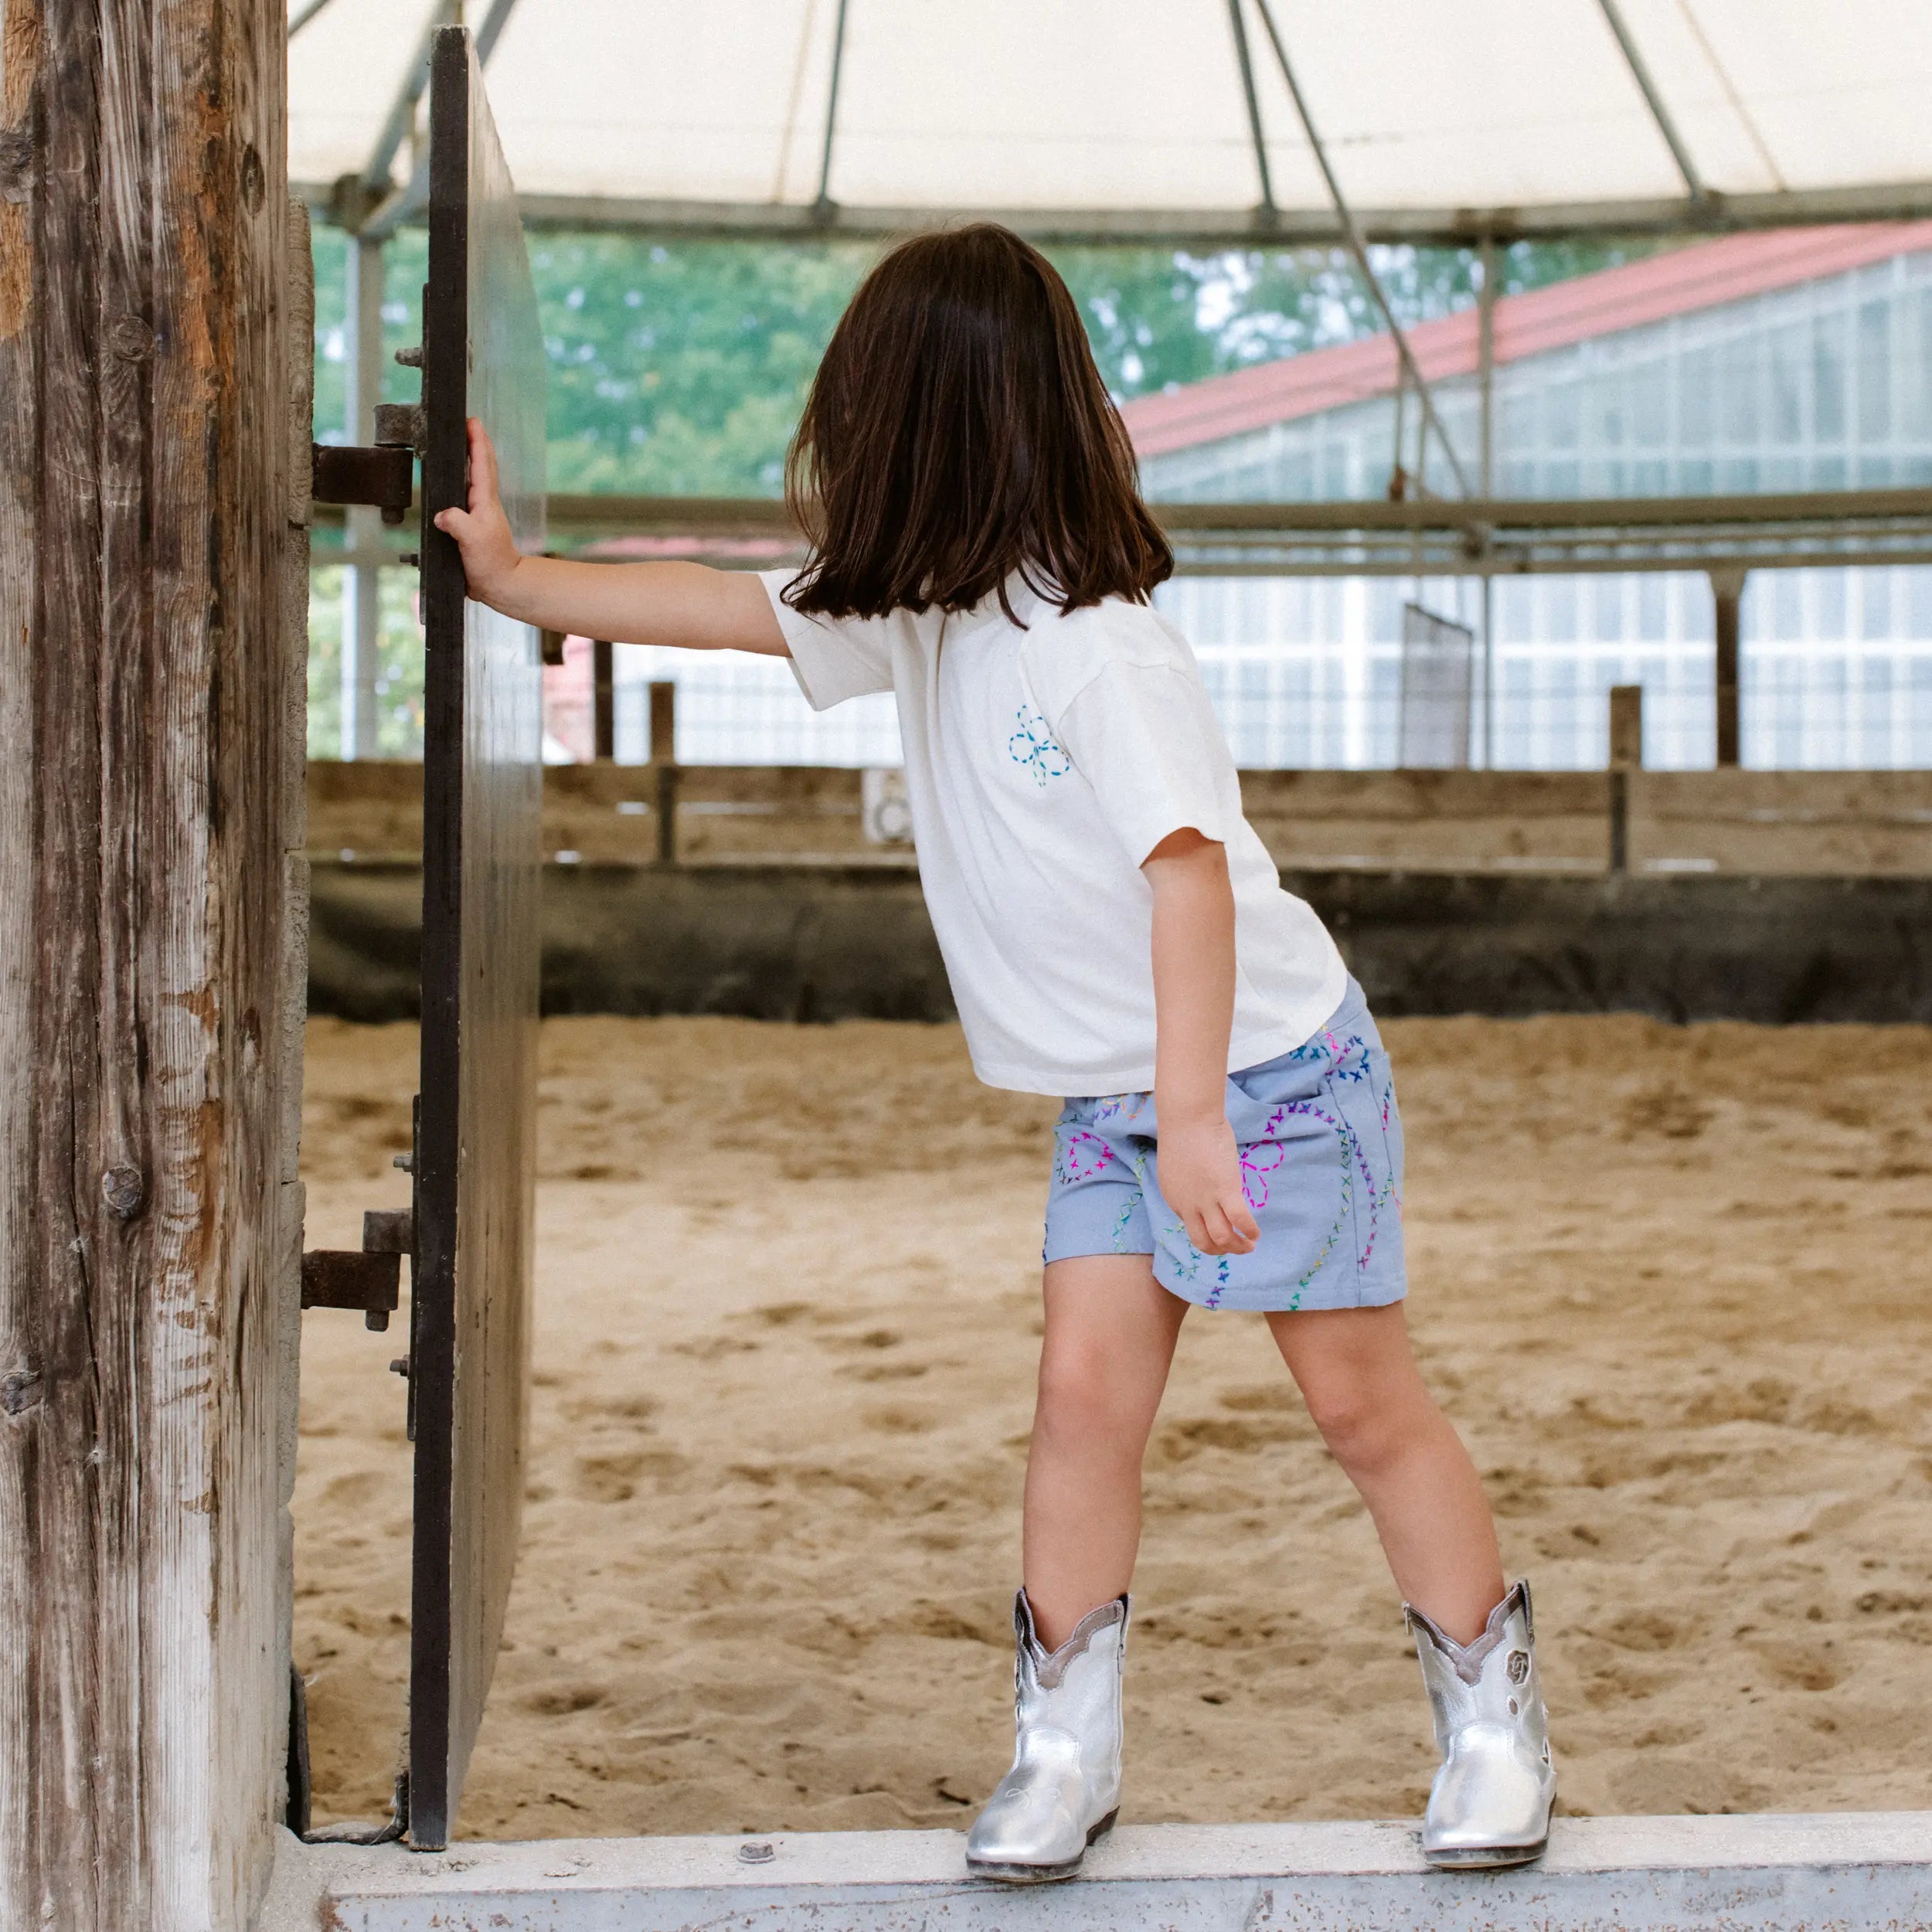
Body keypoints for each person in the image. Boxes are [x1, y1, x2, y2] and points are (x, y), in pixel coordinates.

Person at [434, 223, 1555, 1882]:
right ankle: (1063, 1749)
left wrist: (1196, 1117)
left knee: (1358, 1405)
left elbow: (1188, 872)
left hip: (1264, 1075)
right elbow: (731, 606)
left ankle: (1491, 1726)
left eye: (861, 413)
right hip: (1123, 1094)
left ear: (929, 425)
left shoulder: (1094, 640)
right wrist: (521, 580)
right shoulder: (922, 614)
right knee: (1080, 1400)